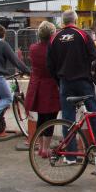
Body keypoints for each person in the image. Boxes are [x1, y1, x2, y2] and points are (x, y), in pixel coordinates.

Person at [47, 10, 96, 145]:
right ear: (76, 20)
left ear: (63, 22)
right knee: (93, 114)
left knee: (67, 119)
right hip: (84, 81)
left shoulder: (54, 38)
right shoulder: (83, 35)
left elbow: (49, 65)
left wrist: (59, 81)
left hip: (65, 83)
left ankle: (70, 155)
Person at [26, 21, 61, 159]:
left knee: (41, 117)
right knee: (51, 118)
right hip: (51, 86)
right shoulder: (55, 49)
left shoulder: (33, 48)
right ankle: (46, 149)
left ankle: (40, 148)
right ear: (52, 34)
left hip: (38, 86)